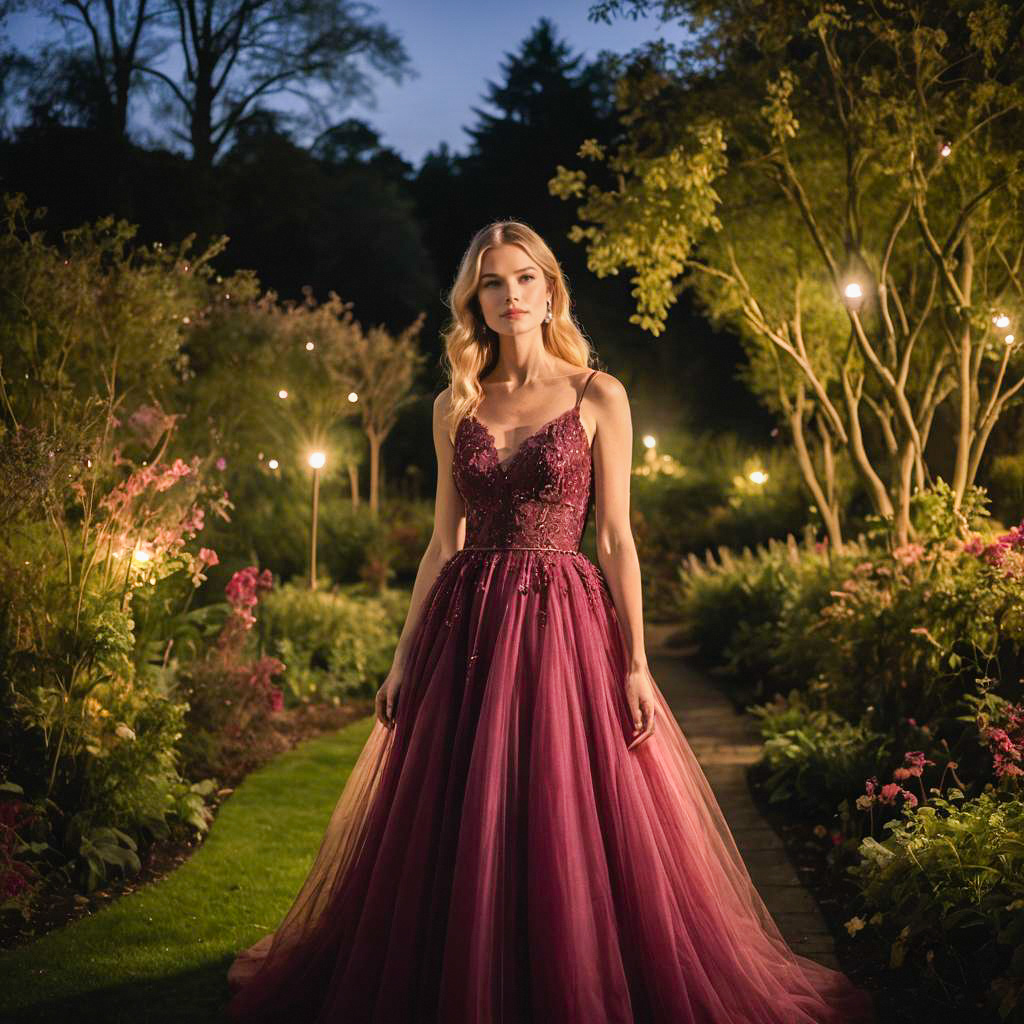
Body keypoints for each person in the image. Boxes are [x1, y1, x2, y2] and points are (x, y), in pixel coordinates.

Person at [226, 220, 876, 1023]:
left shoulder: (597, 394)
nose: (510, 296)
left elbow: (616, 542)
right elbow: (440, 543)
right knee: (458, 808)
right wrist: (401, 660)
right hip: (465, 629)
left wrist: (636, 662)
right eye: (492, 283)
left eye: (524, 278)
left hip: (565, 623)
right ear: (476, 300)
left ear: (549, 288)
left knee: (566, 799)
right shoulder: (453, 403)